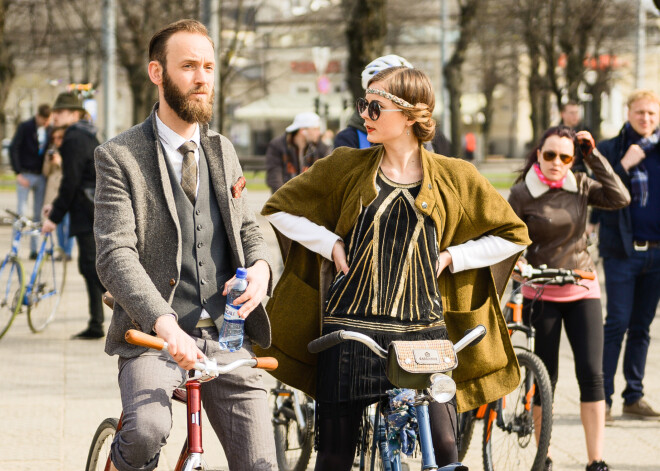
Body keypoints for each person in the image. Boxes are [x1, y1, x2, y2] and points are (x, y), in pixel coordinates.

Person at [257, 66, 530, 470]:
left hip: (424, 333)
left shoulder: (456, 176)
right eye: (362, 105)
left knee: (444, 449)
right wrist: (330, 243)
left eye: (374, 106)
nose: (364, 115)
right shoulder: (346, 165)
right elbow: (279, 208)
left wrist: (452, 257)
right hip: (350, 331)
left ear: (409, 116)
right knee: (334, 455)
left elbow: (512, 234)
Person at [92, 19, 276, 471]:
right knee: (147, 430)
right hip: (154, 338)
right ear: (158, 73)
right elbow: (116, 254)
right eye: (189, 66)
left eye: (208, 67)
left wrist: (262, 269)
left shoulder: (222, 149)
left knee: (262, 464)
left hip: (228, 335)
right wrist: (166, 326)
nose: (202, 79)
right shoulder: (119, 156)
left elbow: (249, 228)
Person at [508, 126, 630, 471]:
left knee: (592, 375)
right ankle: (542, 454)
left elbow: (620, 197)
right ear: (539, 154)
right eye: (550, 155)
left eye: (565, 156)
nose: (557, 162)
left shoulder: (580, 184)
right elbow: (508, 237)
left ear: (573, 159)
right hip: (540, 289)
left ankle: (596, 460)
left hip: (581, 285)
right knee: (546, 377)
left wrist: (594, 157)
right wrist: (517, 263)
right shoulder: (521, 193)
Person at [592, 89, 660, 422]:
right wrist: (622, 166)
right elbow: (596, 193)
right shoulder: (610, 149)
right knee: (617, 322)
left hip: (657, 255)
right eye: (640, 112)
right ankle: (602, 400)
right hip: (621, 251)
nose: (645, 119)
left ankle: (633, 397)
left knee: (642, 327)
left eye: (651, 113)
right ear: (628, 113)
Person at [41, 92, 104, 340]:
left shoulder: (74, 138)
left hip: (88, 210)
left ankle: (137, 317)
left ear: (74, 113)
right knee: (91, 267)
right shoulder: (86, 133)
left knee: (92, 268)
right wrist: (55, 208)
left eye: (61, 112)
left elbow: (71, 181)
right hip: (91, 208)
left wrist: (54, 217)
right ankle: (97, 322)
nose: (55, 116)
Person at [334, 54, 452, 155]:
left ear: (409, 114)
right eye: (365, 104)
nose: (364, 114)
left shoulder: (436, 141)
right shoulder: (349, 140)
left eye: (377, 107)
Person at [9, 104, 51, 259]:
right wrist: (18, 172)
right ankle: (15, 250)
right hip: (25, 174)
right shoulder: (25, 127)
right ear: (38, 116)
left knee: (37, 215)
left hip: (41, 176)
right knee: (21, 213)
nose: (46, 123)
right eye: (44, 120)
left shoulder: (49, 129)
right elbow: (14, 148)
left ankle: (34, 249)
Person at [265, 111, 330, 193]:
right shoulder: (278, 146)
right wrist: (283, 199)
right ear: (303, 131)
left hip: (311, 198)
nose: (319, 133)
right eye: (315, 129)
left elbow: (326, 176)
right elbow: (274, 177)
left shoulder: (320, 148)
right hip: (285, 197)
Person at [42, 126, 74, 260]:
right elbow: (45, 172)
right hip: (53, 190)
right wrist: (50, 162)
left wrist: (60, 162)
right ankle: (61, 250)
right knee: (58, 223)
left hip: (66, 190)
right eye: (54, 138)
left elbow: (72, 171)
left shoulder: (70, 150)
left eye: (59, 137)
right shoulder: (51, 151)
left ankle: (68, 252)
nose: (57, 140)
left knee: (68, 222)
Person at [559, 101, 591, 173]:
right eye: (572, 113)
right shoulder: (556, 133)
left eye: (577, 112)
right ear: (563, 114)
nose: (575, 116)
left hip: (581, 171)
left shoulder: (584, 131)